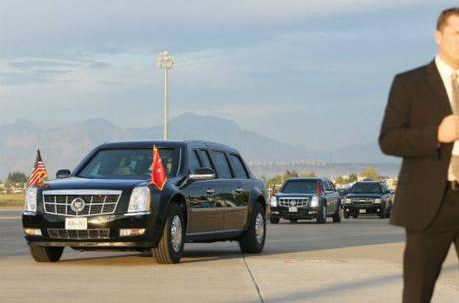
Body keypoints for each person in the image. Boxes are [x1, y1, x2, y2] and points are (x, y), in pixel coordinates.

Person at [379, 7, 459, 303]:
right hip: (430, 205)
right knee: (417, 294)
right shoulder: (409, 84)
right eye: (457, 34)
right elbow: (389, 140)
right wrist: (435, 135)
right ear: (439, 36)